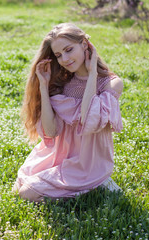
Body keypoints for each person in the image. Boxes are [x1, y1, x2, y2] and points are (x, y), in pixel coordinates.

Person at [12, 23, 124, 202]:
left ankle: (95, 184)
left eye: (69, 49)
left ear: (85, 45)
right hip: (59, 157)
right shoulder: (62, 82)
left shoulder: (111, 84)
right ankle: (89, 188)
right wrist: (43, 84)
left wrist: (92, 73)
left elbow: (89, 120)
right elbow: (51, 132)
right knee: (20, 185)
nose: (64, 58)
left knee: (28, 193)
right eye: (58, 55)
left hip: (87, 163)